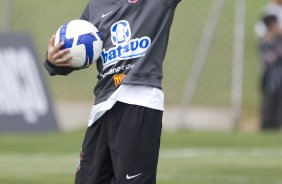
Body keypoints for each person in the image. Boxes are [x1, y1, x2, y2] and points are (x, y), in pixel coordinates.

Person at [44, 0, 181, 183]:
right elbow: (77, 54)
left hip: (138, 100)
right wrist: (53, 60)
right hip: (102, 107)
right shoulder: (96, 6)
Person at [259, 14, 282, 130]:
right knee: (269, 107)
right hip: (271, 81)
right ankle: (266, 128)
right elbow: (269, 58)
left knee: (279, 110)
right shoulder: (265, 41)